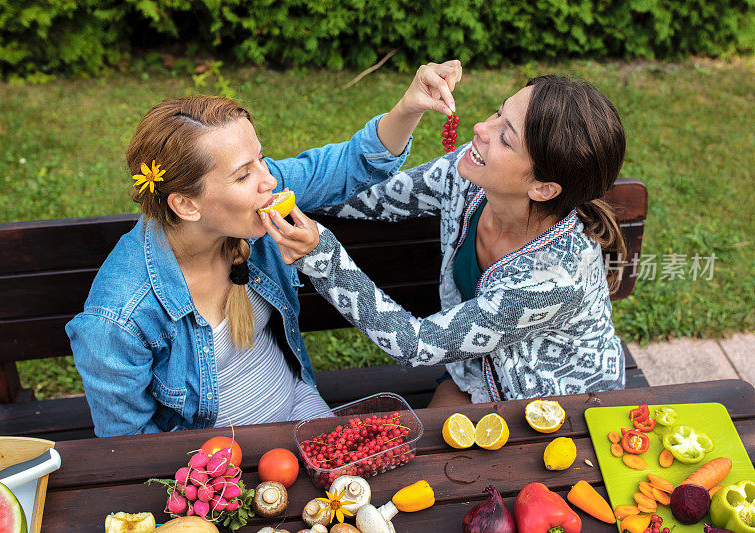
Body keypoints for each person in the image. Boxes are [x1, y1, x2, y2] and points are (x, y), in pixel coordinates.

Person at [66, 61, 464, 436]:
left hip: (300, 407)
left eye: (261, 159)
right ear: (186, 205)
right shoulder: (117, 319)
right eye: (244, 174)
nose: (269, 181)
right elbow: (128, 449)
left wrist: (410, 106)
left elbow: (349, 164)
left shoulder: (248, 207)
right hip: (214, 468)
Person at [267, 75, 628, 406]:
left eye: (505, 137)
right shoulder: (469, 178)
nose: (481, 128)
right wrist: (272, 183)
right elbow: (372, 196)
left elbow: (414, 344)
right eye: (497, 112)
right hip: (474, 374)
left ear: (543, 188)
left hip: (560, 411)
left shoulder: (554, 280)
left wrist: (323, 258)